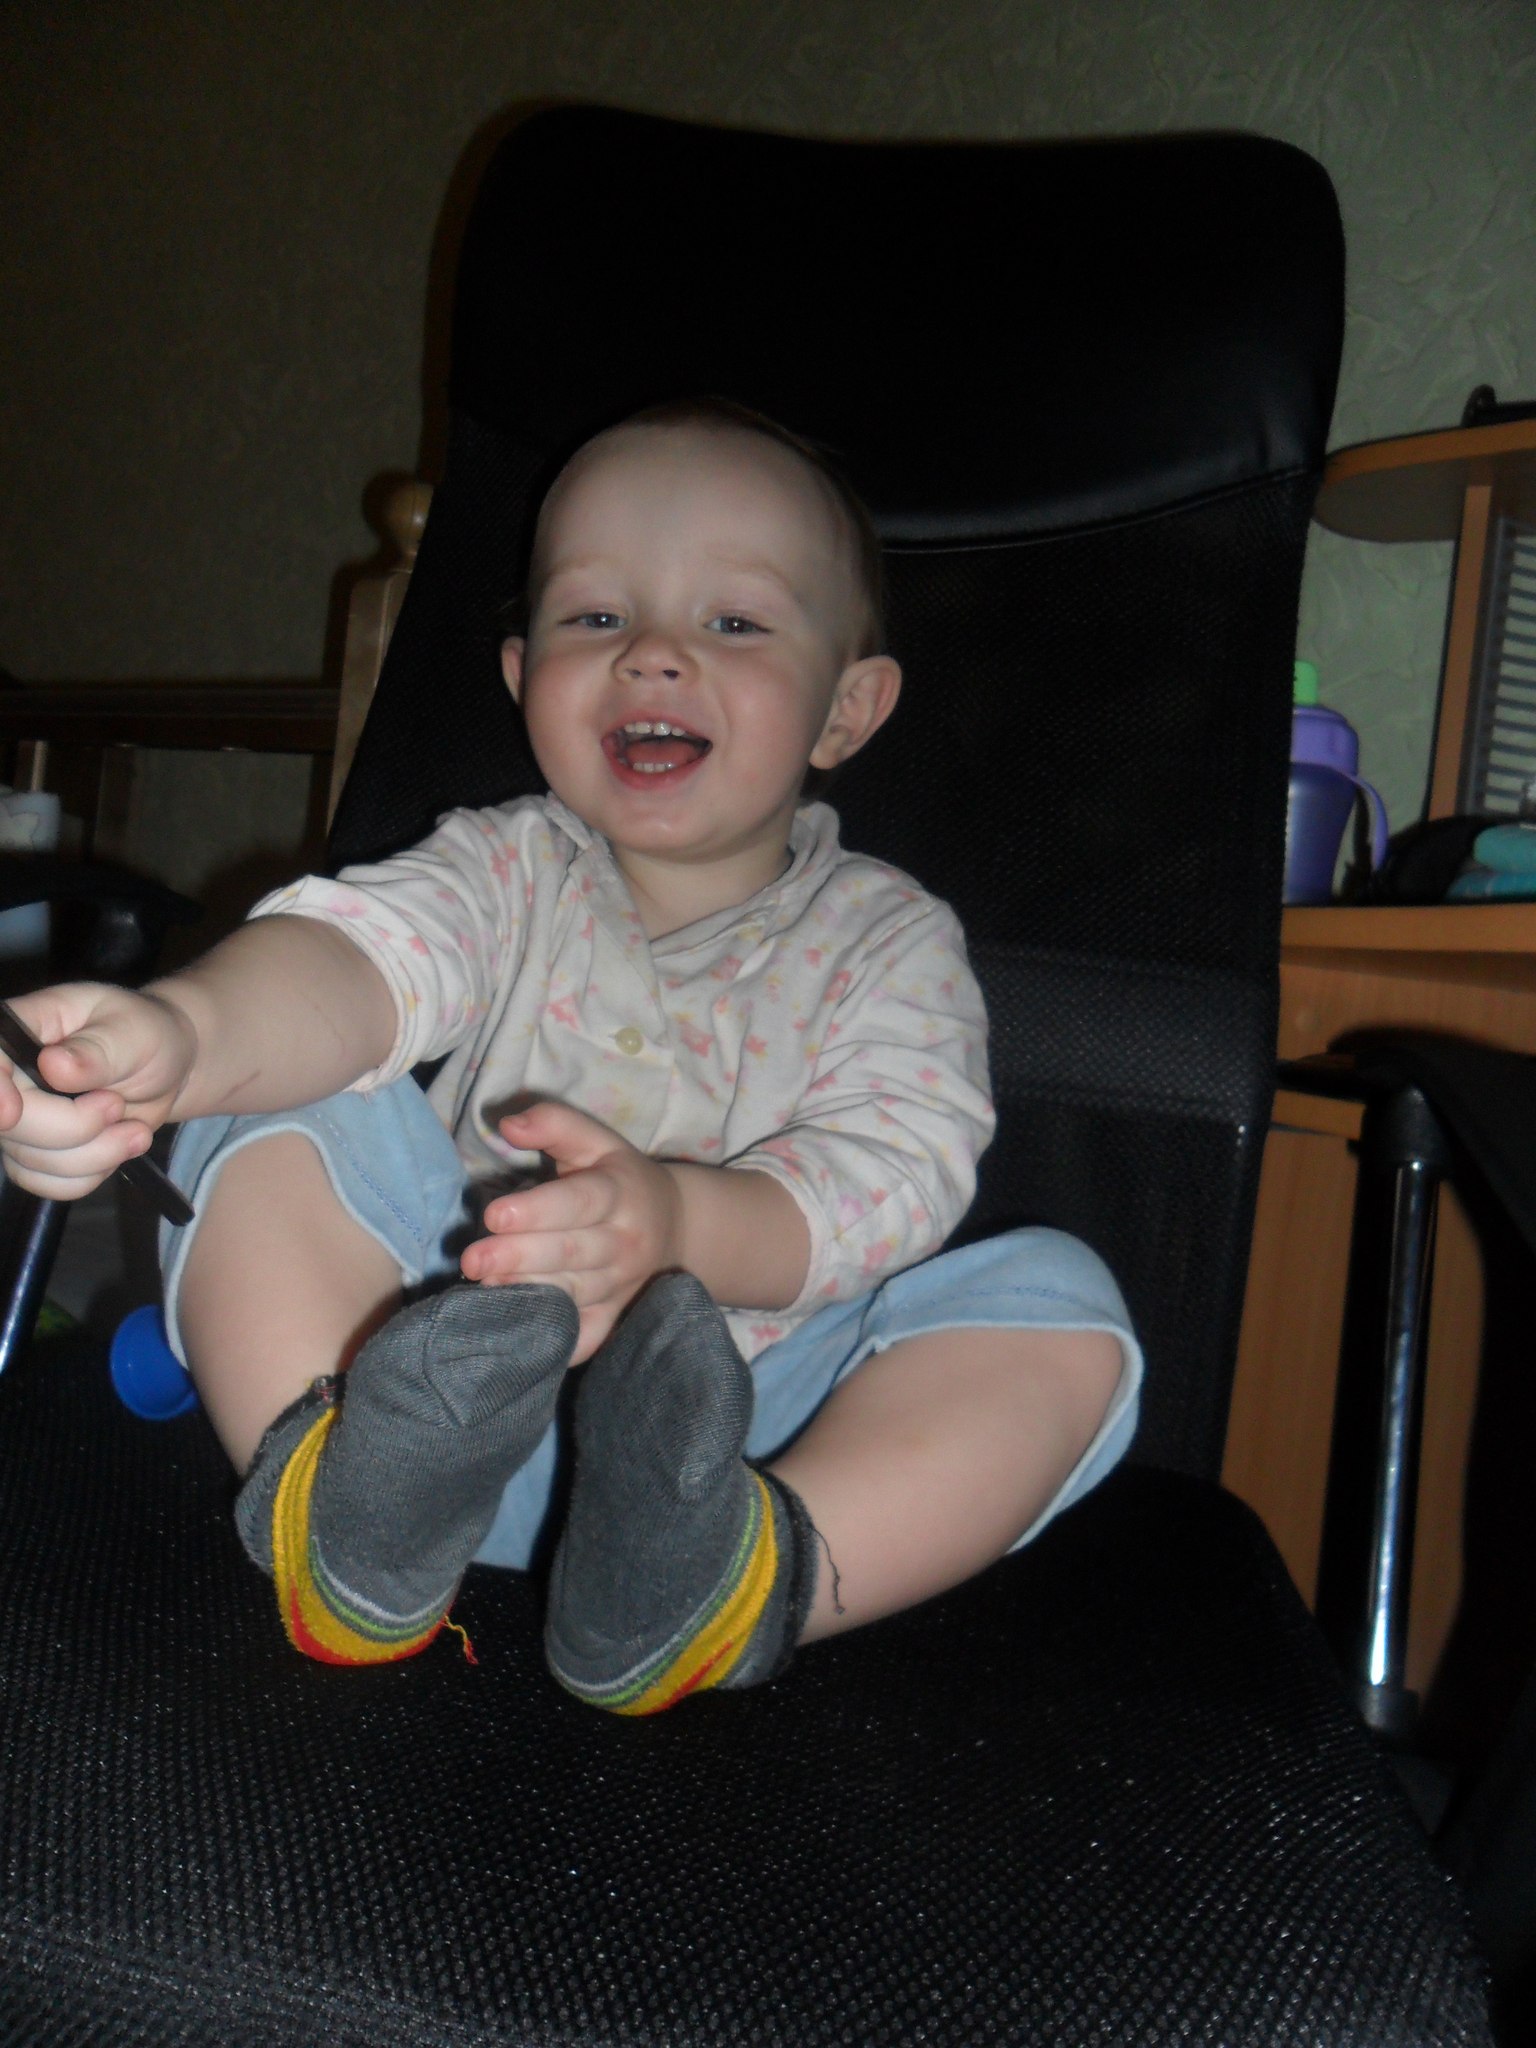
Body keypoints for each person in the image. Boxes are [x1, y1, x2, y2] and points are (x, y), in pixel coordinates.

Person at [0, 400, 1140, 1711]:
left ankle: (733, 1583)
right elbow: (355, 964)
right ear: (520, 673)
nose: (652, 654)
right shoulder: (504, 867)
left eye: (735, 622)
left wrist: (682, 1226)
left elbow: (896, 1178)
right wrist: (184, 1037)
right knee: (283, 1095)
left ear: (846, 708)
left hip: (755, 1425)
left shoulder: (890, 939)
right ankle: (339, 1516)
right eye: (595, 616)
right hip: (426, 1396)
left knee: (1064, 1310)